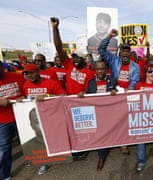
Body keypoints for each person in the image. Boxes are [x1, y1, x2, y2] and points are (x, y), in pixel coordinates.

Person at [51, 16, 94, 159]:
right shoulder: (68, 64)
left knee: (82, 129)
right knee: (68, 127)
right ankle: (72, 148)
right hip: (68, 102)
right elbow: (59, 47)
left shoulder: (89, 72)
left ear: (84, 59)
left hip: (82, 104)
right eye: (73, 57)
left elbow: (91, 89)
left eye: (78, 58)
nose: (75, 59)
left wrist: (85, 93)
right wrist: (55, 28)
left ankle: (82, 148)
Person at [98, 28, 140, 154]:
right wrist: (109, 36)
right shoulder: (113, 60)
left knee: (126, 121)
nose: (125, 53)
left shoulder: (135, 66)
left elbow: (134, 81)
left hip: (127, 97)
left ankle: (124, 144)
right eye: (123, 51)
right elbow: (101, 50)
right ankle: (111, 140)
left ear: (130, 53)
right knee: (112, 120)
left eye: (127, 51)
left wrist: (128, 90)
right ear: (120, 53)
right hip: (114, 94)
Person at [21, 63, 66, 175]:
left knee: (53, 137)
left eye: (31, 73)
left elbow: (64, 96)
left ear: (38, 72)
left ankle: (58, 154)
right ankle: (43, 162)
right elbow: (25, 98)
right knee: (40, 139)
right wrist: (21, 99)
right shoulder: (25, 84)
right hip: (35, 117)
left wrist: (48, 96)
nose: (29, 76)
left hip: (51, 116)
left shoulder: (51, 83)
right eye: (26, 74)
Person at [0, 58, 25, 180]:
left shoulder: (16, 77)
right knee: (3, 149)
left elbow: (29, 89)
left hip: (22, 116)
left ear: (2, 67)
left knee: (34, 141)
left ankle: (42, 162)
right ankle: (2, 176)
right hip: (2, 120)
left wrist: (24, 96)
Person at [86, 60, 117, 171]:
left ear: (106, 70)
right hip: (96, 115)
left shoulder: (112, 80)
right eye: (98, 69)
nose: (100, 71)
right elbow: (87, 99)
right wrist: (81, 96)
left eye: (102, 69)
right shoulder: (90, 83)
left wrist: (115, 92)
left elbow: (119, 94)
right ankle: (101, 157)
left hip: (110, 114)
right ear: (95, 70)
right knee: (100, 136)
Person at [134, 65, 153, 172]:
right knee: (141, 139)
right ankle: (141, 161)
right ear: (145, 73)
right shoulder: (139, 85)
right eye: (149, 72)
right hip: (141, 117)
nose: (152, 74)